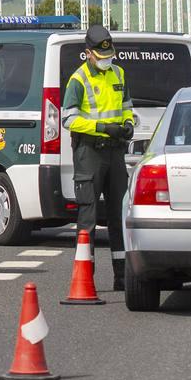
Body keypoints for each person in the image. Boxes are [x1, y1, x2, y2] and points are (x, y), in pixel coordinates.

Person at [62, 24, 134, 290]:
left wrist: (128, 124)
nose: (107, 60)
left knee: (119, 214)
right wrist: (101, 128)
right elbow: (68, 119)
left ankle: (123, 276)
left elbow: (127, 107)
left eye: (109, 55)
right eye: (102, 56)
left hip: (115, 151)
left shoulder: (119, 73)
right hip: (89, 152)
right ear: (88, 53)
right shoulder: (78, 80)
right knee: (88, 216)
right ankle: (85, 278)